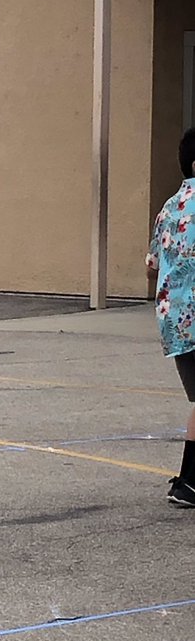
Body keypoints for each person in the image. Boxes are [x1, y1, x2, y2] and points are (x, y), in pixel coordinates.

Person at [147, 125, 195, 508]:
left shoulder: (168, 207)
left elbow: (151, 266)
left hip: (175, 321)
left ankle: (189, 481)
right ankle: (189, 482)